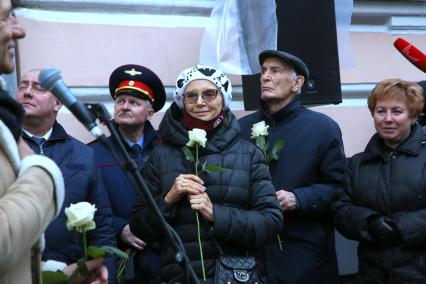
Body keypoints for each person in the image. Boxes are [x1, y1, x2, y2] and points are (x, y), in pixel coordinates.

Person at [129, 64, 283, 283]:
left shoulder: (248, 154)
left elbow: (270, 222)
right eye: (191, 96)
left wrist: (216, 215)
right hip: (179, 277)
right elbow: (138, 226)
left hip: (233, 276)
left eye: (209, 93)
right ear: (182, 102)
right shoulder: (161, 155)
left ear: (223, 99)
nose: (200, 102)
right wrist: (168, 199)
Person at [239, 50, 346, 284]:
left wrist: (298, 198)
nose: (265, 77)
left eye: (275, 71)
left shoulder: (322, 129)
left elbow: (339, 189)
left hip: (304, 257)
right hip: (252, 255)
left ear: (297, 83)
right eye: (263, 71)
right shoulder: (241, 128)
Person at [15, 69, 117, 282]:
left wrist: (104, 273)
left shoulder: (83, 154)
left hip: (70, 273)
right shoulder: (5, 148)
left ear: (58, 103)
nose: (27, 92)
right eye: (22, 85)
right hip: (14, 271)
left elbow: (103, 225)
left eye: (38, 87)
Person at [333, 79, 426, 283]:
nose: (388, 119)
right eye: (381, 111)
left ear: (413, 116)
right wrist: (370, 223)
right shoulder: (357, 164)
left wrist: (401, 227)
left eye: (397, 111)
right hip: (371, 276)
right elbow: (340, 210)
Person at [89, 64, 166, 283]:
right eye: (120, 101)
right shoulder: (93, 153)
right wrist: (119, 228)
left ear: (150, 113)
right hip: (116, 260)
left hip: (161, 261)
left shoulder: (166, 150)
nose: (125, 107)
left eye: (134, 102)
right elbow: (83, 206)